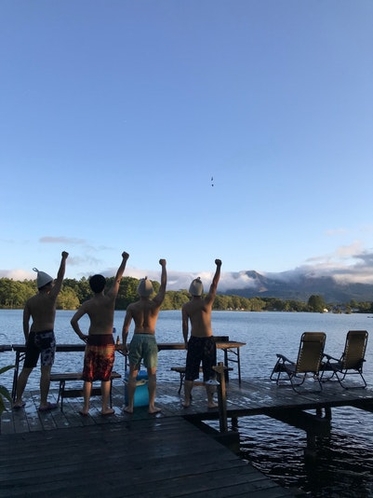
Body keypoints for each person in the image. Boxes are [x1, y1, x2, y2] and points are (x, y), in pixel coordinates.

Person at [70, 251, 129, 416]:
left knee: (88, 376)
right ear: (104, 286)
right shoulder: (110, 299)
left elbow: (73, 321)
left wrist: (81, 335)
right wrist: (124, 259)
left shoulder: (88, 304)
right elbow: (118, 278)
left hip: (92, 340)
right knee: (105, 376)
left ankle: (86, 407)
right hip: (107, 342)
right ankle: (104, 408)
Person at [13, 251, 69, 411]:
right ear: (47, 286)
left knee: (26, 369)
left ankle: (18, 400)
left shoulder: (30, 301)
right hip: (47, 336)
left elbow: (25, 322)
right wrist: (64, 259)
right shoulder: (51, 298)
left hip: (33, 336)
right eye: (51, 284)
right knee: (46, 371)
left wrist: (27, 339)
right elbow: (61, 275)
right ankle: (43, 403)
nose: (53, 285)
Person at [122, 259, 167, 414]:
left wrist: (124, 343)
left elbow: (126, 328)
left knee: (133, 374)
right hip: (150, 339)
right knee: (152, 374)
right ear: (150, 292)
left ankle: (130, 406)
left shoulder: (132, 307)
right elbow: (164, 285)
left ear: (138, 291)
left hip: (136, 337)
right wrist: (163, 266)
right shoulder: (155, 304)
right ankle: (151, 406)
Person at [182, 259, 222, 409]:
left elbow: (185, 325)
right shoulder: (207, 303)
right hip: (208, 341)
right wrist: (218, 267)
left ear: (190, 291)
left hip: (194, 340)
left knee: (190, 372)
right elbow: (214, 284)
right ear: (201, 291)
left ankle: (186, 400)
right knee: (210, 373)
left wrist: (185, 341)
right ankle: (210, 402)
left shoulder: (186, 306)